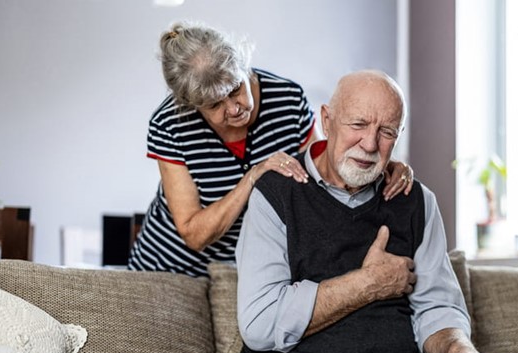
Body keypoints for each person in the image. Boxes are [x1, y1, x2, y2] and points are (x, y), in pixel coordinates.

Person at [236, 70, 518, 353]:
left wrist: (459, 352)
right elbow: (259, 324)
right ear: (327, 120)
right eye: (358, 125)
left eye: (387, 131)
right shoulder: (276, 193)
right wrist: (368, 284)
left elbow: (436, 308)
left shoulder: (416, 200)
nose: (370, 144)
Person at [128, 21, 414, 277]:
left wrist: (382, 165)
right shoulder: (169, 123)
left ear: (244, 67)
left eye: (236, 89)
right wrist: (253, 177)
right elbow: (193, 233)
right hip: (170, 268)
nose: (235, 108)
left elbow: (329, 171)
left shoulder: (288, 99)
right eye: (215, 105)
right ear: (192, 105)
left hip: (252, 268)